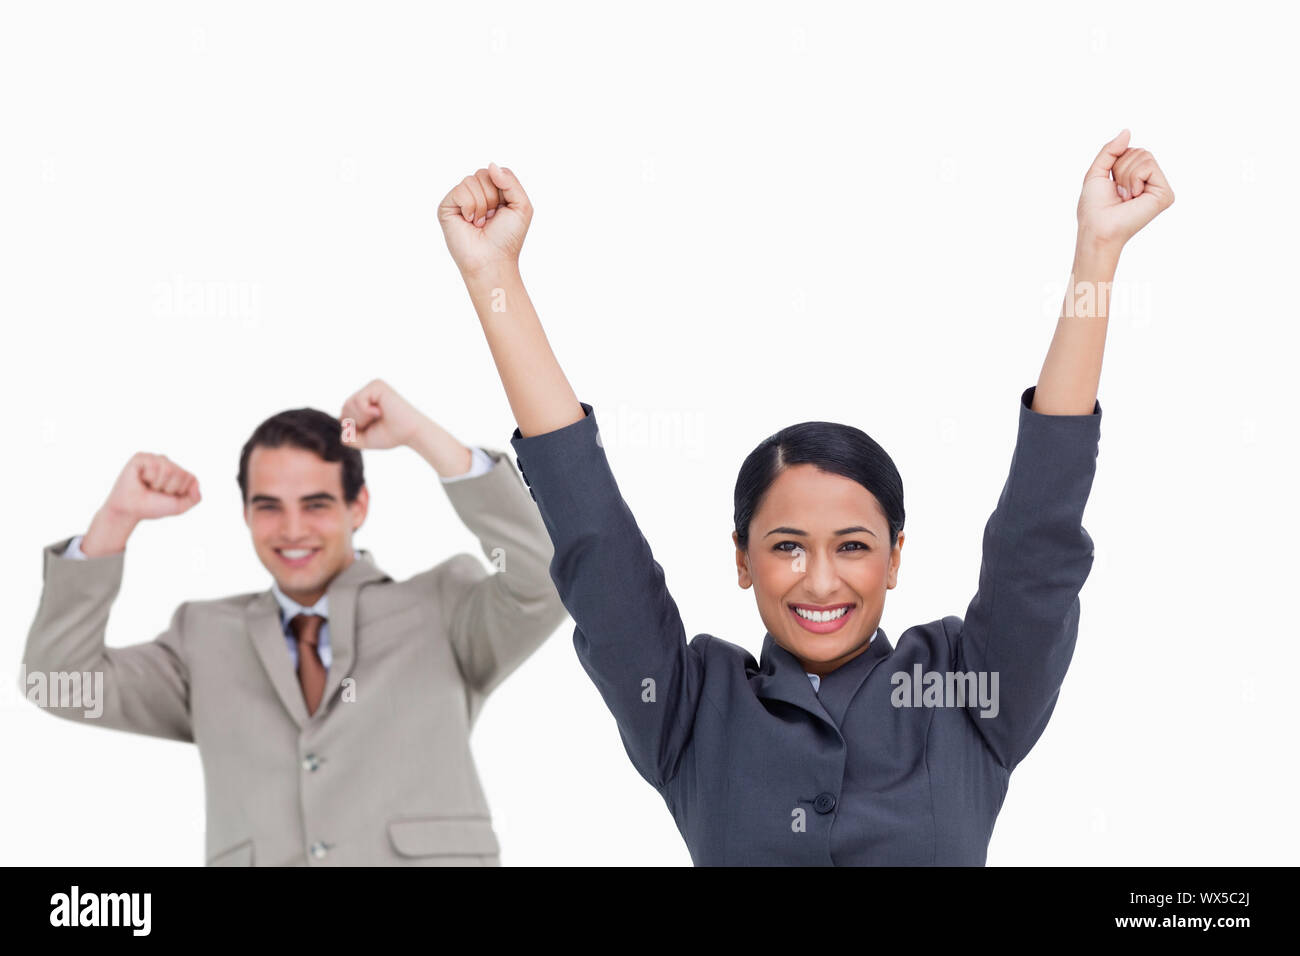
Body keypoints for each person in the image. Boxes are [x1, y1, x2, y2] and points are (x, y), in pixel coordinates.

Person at [437, 130, 1173, 864]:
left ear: (894, 559)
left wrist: (1097, 253)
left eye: (853, 546)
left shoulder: (968, 692)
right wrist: (492, 274)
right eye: (787, 546)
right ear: (742, 559)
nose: (821, 580)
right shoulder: (691, 709)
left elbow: (1038, 535)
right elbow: (594, 538)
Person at [21, 379, 569, 865]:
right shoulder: (204, 639)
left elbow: (546, 580)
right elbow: (58, 682)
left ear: (358, 507)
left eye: (316, 504)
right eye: (268, 506)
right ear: (245, 515)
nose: (292, 529)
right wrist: (115, 521)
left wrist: (422, 436)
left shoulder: (443, 609)